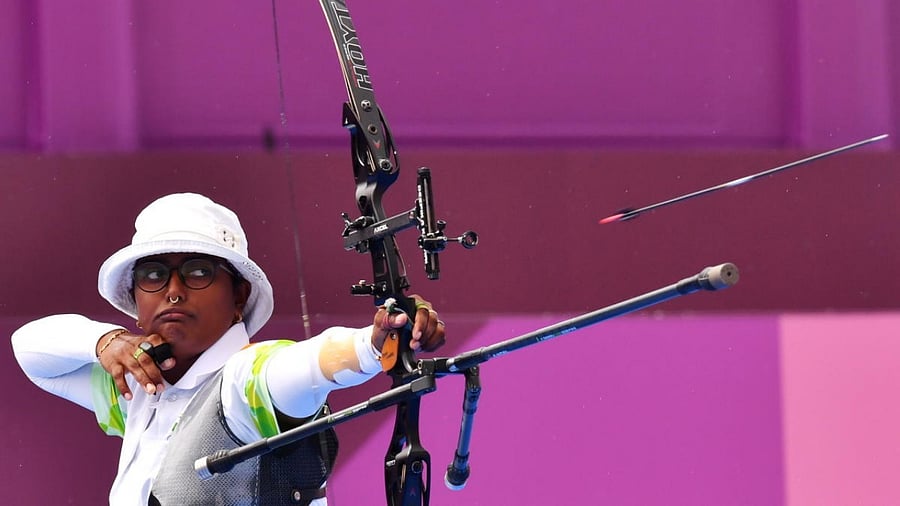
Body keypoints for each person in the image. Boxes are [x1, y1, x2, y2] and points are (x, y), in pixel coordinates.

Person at [11, 192, 445, 506]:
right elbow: (30, 351)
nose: (174, 292)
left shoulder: (245, 381)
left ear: (238, 296)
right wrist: (103, 340)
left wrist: (375, 342)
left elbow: (306, 365)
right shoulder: (137, 390)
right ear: (136, 299)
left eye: (198, 271)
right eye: (154, 274)